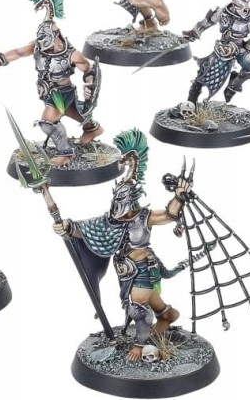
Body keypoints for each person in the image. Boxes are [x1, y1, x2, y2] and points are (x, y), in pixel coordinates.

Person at [53, 130, 188, 361]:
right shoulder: (112, 219)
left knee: (138, 308)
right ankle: (167, 314)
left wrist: (179, 196)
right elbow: (88, 228)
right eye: (116, 199)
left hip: (143, 268)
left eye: (122, 199)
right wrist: (67, 226)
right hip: (125, 271)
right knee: (146, 302)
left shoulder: (145, 217)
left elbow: (169, 215)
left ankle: (139, 345)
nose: (118, 205)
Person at [0, 0, 102, 166]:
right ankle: (93, 129)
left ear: (57, 36)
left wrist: (89, 85)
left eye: (49, 44)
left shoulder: (72, 55)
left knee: (48, 122)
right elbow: (18, 52)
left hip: (62, 93)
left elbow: (88, 69)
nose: (45, 48)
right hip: (48, 92)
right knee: (76, 113)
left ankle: (65, 153)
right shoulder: (38, 45)